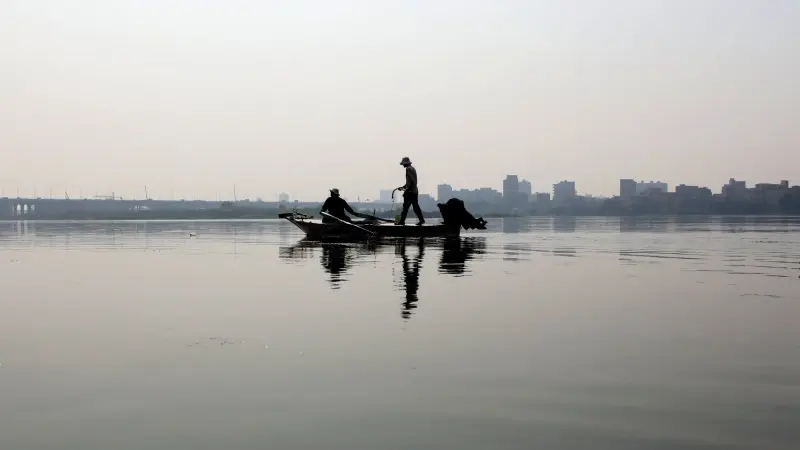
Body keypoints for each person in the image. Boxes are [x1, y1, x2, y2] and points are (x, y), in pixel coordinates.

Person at [397, 156, 425, 225]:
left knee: (405, 207)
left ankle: (401, 221)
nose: (403, 165)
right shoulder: (412, 168)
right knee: (415, 207)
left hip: (410, 192)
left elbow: (411, 182)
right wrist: (403, 187)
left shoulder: (408, 169)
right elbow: (410, 181)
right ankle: (421, 220)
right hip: (414, 191)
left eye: (403, 164)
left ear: (405, 163)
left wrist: (406, 190)